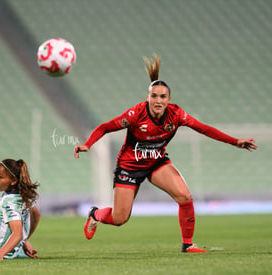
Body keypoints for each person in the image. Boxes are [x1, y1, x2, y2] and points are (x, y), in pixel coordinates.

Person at [74, 54, 258, 253]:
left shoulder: (176, 114)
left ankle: (188, 244)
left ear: (169, 99)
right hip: (130, 166)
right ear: (148, 97)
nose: (158, 100)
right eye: (154, 96)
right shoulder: (136, 114)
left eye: (163, 97)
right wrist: (87, 144)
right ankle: (95, 214)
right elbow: (105, 127)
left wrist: (235, 142)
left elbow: (204, 129)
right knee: (120, 219)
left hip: (156, 162)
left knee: (185, 196)